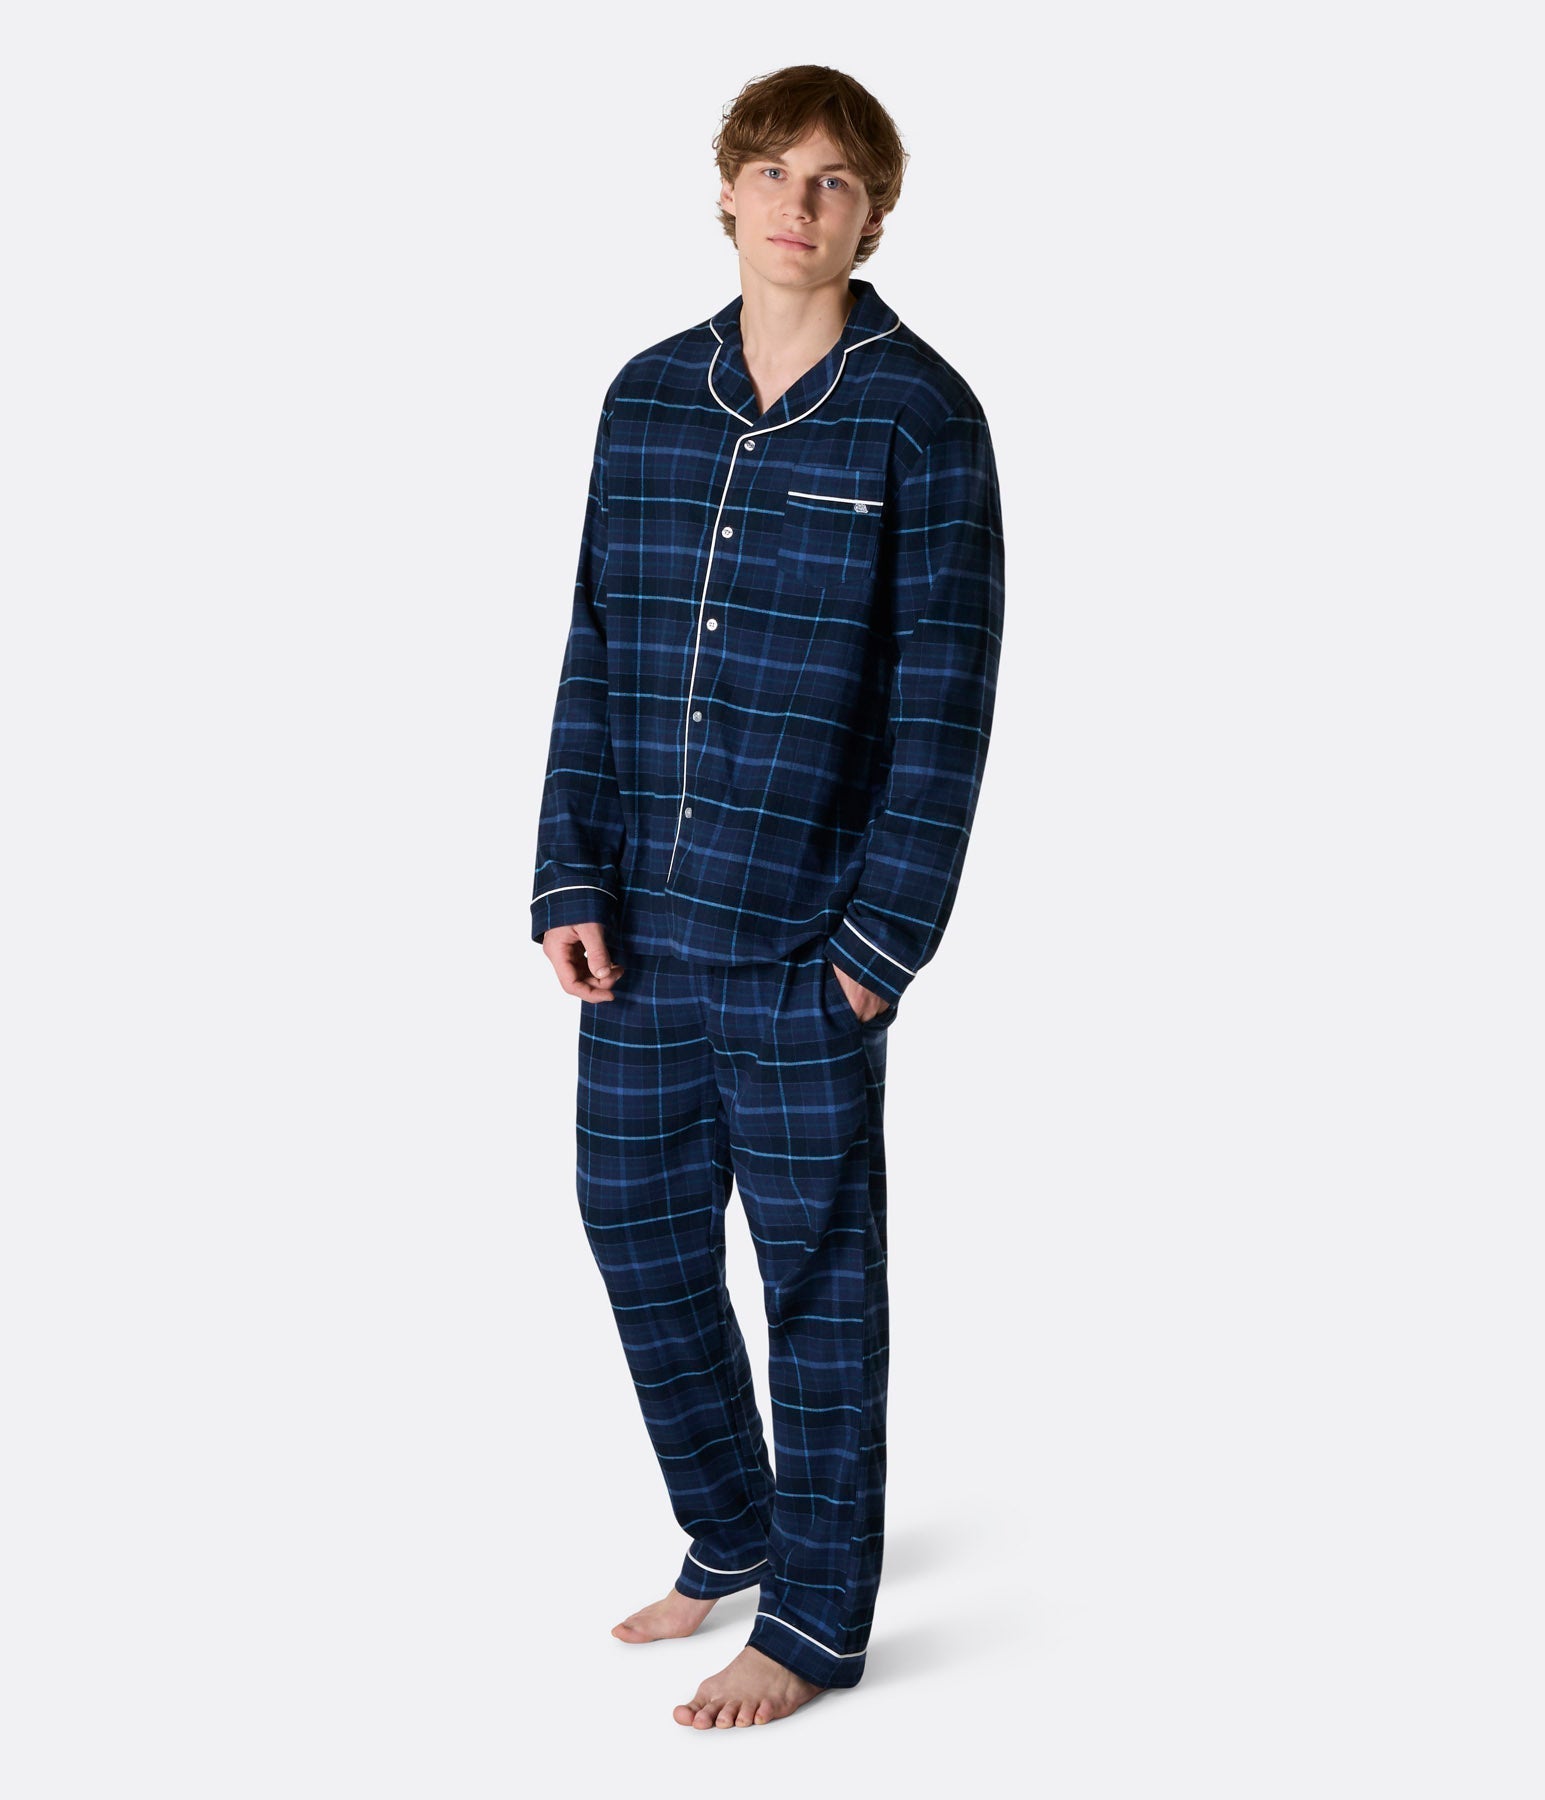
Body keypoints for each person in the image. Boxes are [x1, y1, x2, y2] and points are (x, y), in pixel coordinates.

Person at [529, 64, 1004, 1728]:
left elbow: (945, 706)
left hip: (807, 946)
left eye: (837, 180)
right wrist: (567, 873)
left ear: (874, 214)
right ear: (727, 190)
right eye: (777, 172)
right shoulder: (647, 398)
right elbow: (594, 646)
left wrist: (875, 955)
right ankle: (732, 1526)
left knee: (817, 1279)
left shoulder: (920, 416)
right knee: (636, 1231)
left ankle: (810, 1619)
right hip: (640, 936)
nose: (802, 203)